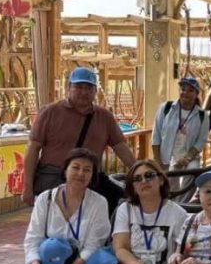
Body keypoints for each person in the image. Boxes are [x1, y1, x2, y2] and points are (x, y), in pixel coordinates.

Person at [22, 67, 135, 210]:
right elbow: (32, 149)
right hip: (54, 176)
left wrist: (139, 170)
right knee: (56, 218)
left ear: (95, 91)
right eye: (78, 87)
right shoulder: (50, 112)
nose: (84, 92)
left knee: (122, 200)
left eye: (89, 88)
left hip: (90, 177)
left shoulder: (104, 116)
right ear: (68, 88)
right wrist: (27, 187)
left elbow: (120, 147)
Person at [151, 77, 209, 200]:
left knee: (194, 173)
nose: (185, 93)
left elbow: (201, 141)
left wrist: (187, 158)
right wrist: (157, 160)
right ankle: (174, 204)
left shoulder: (202, 115)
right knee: (171, 184)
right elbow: (156, 135)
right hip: (167, 156)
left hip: (189, 156)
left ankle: (181, 203)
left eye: (190, 90)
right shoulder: (165, 108)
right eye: (183, 89)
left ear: (196, 94)